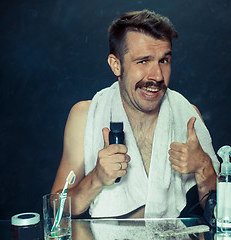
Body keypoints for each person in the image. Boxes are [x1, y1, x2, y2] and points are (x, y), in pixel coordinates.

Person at [51, 9, 219, 218]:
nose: (157, 76)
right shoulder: (84, 115)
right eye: (143, 61)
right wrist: (97, 178)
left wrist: (204, 167)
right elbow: (57, 208)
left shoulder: (188, 116)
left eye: (164, 61)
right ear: (116, 65)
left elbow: (221, 210)